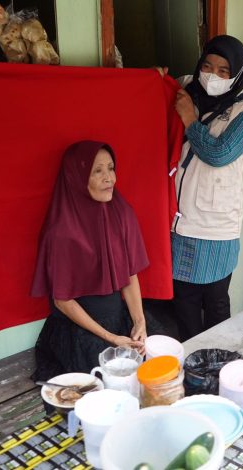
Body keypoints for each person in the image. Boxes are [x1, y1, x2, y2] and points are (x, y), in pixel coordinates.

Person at [30, 140, 157, 381]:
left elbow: (130, 276)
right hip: (81, 328)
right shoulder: (61, 231)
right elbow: (63, 302)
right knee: (111, 380)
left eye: (110, 168)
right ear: (77, 178)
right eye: (97, 171)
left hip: (119, 318)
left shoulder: (121, 213)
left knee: (154, 367)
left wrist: (139, 322)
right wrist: (111, 338)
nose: (109, 178)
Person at [168, 35, 243, 341]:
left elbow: (218, 154)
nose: (213, 75)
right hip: (179, 221)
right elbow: (155, 86)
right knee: (183, 301)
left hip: (216, 227)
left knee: (215, 302)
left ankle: (218, 359)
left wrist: (189, 120)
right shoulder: (187, 88)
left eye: (224, 71)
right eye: (207, 66)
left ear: (236, 74)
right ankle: (189, 361)